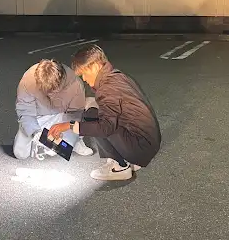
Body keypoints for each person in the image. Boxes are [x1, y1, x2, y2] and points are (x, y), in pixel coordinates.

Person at [48, 44, 161, 181]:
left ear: (95, 66)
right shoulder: (115, 76)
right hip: (146, 141)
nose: (84, 79)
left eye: (84, 73)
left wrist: (69, 125)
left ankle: (120, 167)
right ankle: (126, 158)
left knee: (91, 118)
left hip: (140, 147)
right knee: (92, 110)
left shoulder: (107, 88)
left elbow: (105, 128)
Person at [14, 59, 94, 160]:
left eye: (53, 91)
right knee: (20, 154)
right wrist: (36, 133)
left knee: (65, 147)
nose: (50, 95)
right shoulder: (28, 80)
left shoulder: (75, 84)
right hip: (38, 117)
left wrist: (67, 139)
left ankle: (76, 141)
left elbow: (75, 115)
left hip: (62, 116)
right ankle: (41, 141)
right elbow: (25, 112)